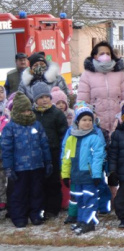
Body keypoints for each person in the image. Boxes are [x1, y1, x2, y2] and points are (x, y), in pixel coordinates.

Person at [0, 92, 52, 228]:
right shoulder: (10, 128)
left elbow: (44, 145)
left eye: (29, 110)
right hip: (19, 168)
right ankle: (19, 217)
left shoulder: (37, 125)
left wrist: (48, 162)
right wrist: (9, 167)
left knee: (37, 193)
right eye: (24, 111)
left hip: (37, 166)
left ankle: (37, 215)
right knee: (19, 194)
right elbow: (6, 149)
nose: (27, 113)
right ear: (17, 111)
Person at [61, 105, 107, 235]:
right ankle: (82, 220)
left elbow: (97, 158)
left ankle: (89, 222)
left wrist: (97, 175)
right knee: (80, 199)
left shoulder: (94, 138)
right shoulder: (71, 139)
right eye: (84, 120)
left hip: (89, 176)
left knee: (90, 199)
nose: (87, 123)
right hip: (76, 175)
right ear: (77, 122)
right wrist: (65, 174)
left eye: (89, 120)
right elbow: (67, 158)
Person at [31, 82, 68, 218]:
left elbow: (63, 134)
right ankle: (40, 207)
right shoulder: (32, 114)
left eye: (47, 96)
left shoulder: (57, 114)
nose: (45, 99)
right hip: (36, 153)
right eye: (41, 97)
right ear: (35, 99)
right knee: (38, 182)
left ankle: (52, 209)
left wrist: (60, 151)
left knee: (53, 181)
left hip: (53, 152)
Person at [76, 41, 124, 133]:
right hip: (96, 126)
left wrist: (123, 115)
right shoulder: (87, 75)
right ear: (95, 56)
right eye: (102, 53)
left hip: (118, 124)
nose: (105, 55)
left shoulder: (120, 74)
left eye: (108, 53)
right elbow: (82, 102)